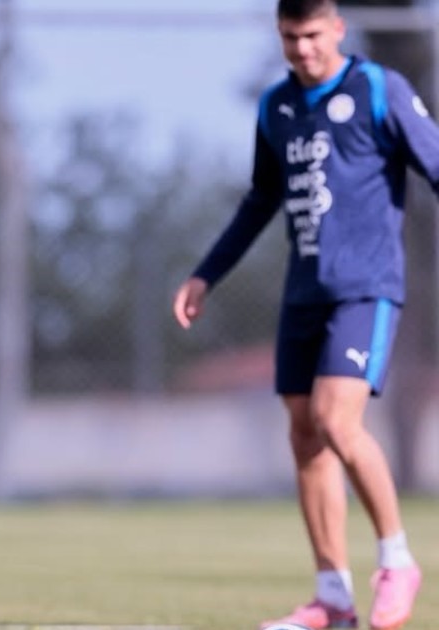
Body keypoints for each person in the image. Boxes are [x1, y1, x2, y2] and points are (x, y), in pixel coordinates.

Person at [173, 1, 435, 628]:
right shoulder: (277, 106)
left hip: (365, 288)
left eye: (313, 35)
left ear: (337, 28)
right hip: (303, 293)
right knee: (305, 436)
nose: (303, 49)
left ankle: (397, 561)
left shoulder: (377, 89)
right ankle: (333, 597)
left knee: (336, 420)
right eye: (291, 37)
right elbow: (260, 199)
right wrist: (207, 273)